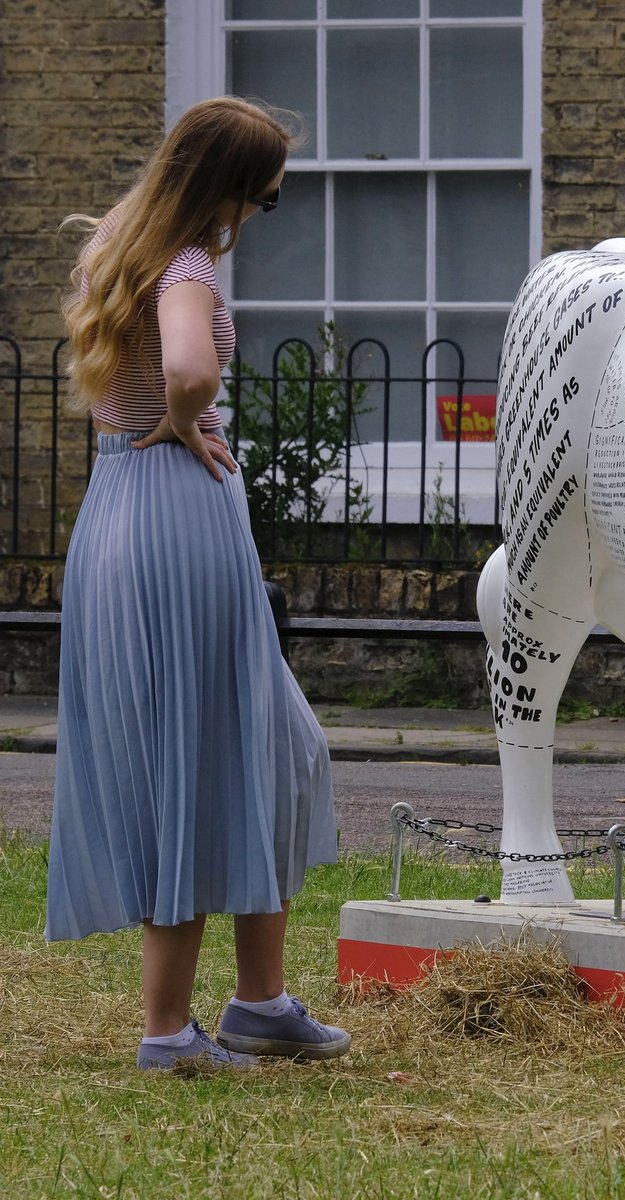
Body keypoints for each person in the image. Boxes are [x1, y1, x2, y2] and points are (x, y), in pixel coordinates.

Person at [48, 96, 350, 1071]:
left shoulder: (112, 244)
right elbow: (185, 368)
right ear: (224, 185)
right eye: (262, 196)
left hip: (118, 512)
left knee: (266, 747)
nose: (255, 215)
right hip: (177, 514)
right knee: (200, 754)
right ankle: (171, 1031)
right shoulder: (183, 263)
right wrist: (186, 416)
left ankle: (258, 1004)